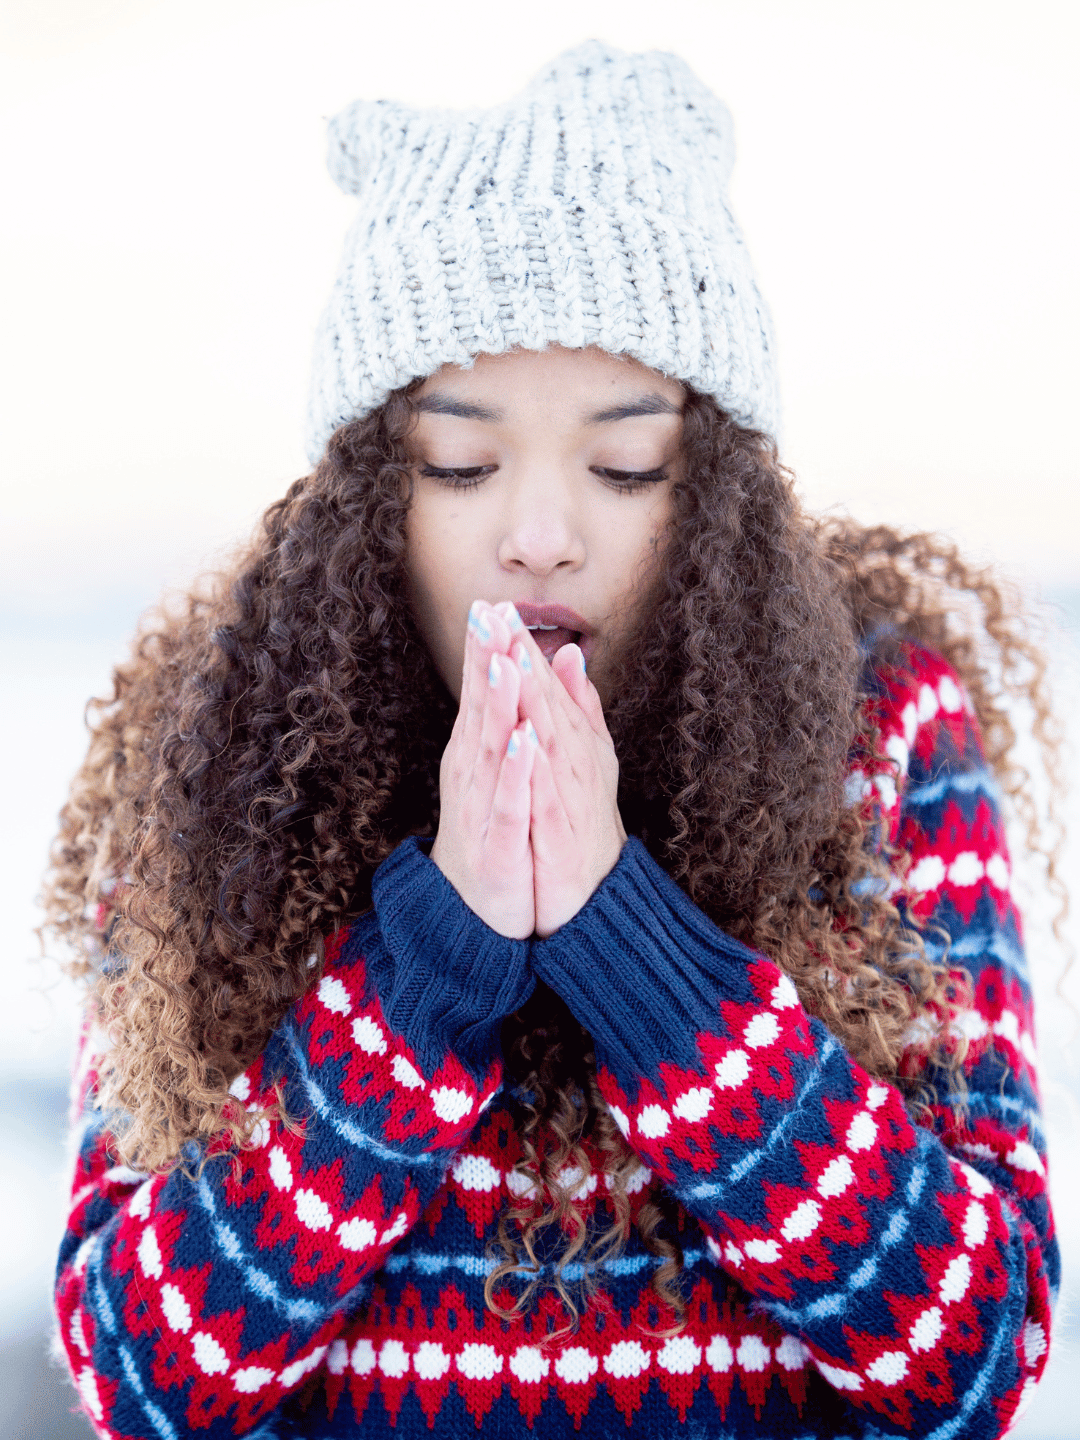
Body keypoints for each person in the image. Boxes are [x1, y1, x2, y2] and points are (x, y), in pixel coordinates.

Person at [46, 40, 1059, 1440]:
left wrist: (628, 938)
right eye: (459, 465)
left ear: (715, 493)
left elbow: (978, 1350)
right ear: (364, 492)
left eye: (623, 466)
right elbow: (136, 1373)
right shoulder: (226, 751)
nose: (537, 537)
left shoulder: (877, 731)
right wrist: (433, 955)